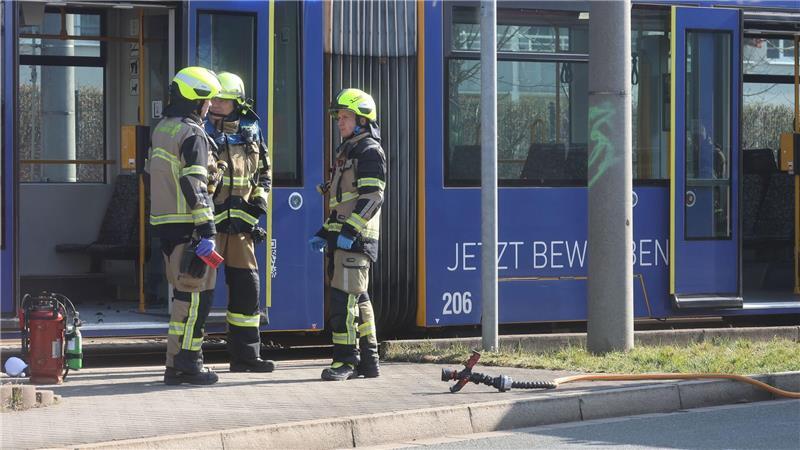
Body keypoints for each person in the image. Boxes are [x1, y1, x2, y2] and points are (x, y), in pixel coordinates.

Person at [147, 66, 222, 385]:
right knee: (195, 297)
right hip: (190, 226)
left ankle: (176, 365)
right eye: (208, 102)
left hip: (166, 226)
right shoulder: (192, 133)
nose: (210, 108)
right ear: (197, 101)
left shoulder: (162, 128)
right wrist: (207, 227)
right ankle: (188, 363)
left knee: (182, 295)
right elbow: (194, 182)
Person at [310, 88, 386, 381]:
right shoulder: (348, 151)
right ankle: (369, 361)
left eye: (346, 117)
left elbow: (372, 196)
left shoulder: (369, 151)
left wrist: (351, 230)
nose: (339, 122)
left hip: (355, 239)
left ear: (362, 120)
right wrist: (324, 232)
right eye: (339, 117)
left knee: (345, 302)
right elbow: (341, 203)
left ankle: (346, 361)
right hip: (343, 238)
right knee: (359, 299)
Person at [204, 72, 275, 373]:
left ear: (236, 102)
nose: (216, 103)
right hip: (209, 228)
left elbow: (265, 174)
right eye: (214, 98)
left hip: (243, 228)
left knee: (248, 289)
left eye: (222, 98)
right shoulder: (202, 129)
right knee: (200, 289)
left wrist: (257, 206)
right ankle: (192, 359)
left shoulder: (252, 130)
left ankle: (246, 356)